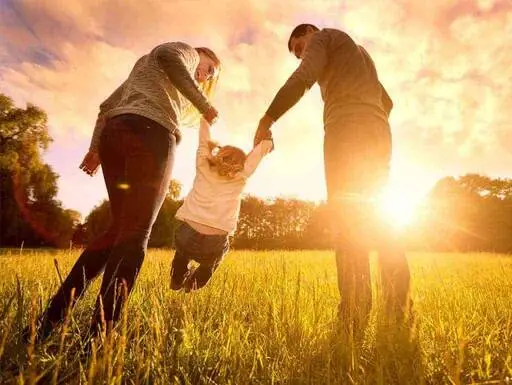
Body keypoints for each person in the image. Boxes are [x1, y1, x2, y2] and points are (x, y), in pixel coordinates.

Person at [24, 42, 222, 342]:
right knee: (136, 234)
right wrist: (204, 103)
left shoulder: (143, 69)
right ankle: (99, 339)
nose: (205, 77)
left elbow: (106, 107)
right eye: (209, 69)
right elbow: (170, 56)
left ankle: (47, 323)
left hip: (116, 135)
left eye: (209, 76)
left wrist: (94, 149)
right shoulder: (185, 51)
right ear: (201, 55)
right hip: (152, 134)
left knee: (117, 231)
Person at [253, 24, 411, 327]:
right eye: (299, 53)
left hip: (346, 129)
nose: (302, 55)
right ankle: (398, 311)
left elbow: (303, 77)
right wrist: (369, 117)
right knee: (382, 218)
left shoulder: (324, 37)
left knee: (348, 219)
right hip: (379, 131)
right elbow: (387, 102)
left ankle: (354, 314)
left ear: (310, 32)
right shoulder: (359, 53)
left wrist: (267, 118)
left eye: (301, 48)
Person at [171, 118, 273, 292]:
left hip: (187, 234)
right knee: (211, 263)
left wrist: (205, 120)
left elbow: (203, 141)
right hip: (215, 241)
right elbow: (257, 156)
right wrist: (267, 142)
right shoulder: (242, 175)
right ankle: (194, 284)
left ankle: (177, 278)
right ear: (241, 164)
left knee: (182, 253)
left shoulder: (203, 164)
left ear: (219, 155)